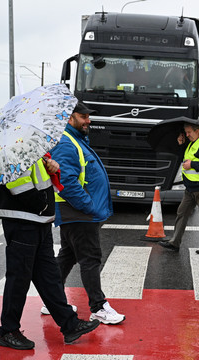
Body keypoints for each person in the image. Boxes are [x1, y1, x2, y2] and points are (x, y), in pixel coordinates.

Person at [0, 154, 100, 349]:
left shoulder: (30, 147)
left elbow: (39, 178)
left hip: (39, 221)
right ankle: (8, 330)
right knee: (18, 279)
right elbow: (17, 183)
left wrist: (50, 169)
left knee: (49, 277)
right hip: (23, 221)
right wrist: (42, 203)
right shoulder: (12, 150)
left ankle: (70, 325)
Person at [41, 101, 126, 325]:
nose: (88, 120)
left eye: (88, 116)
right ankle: (98, 307)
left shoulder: (75, 140)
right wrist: (88, 205)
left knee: (68, 256)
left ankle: (53, 300)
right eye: (83, 116)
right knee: (90, 258)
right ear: (70, 118)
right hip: (78, 212)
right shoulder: (68, 144)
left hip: (73, 213)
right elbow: (67, 182)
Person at [159, 122, 199, 254]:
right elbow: (185, 159)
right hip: (191, 186)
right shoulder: (192, 143)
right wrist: (181, 145)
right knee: (182, 213)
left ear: (197, 131)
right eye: (185, 132)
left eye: (189, 132)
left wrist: (193, 164)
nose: (187, 135)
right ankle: (175, 243)